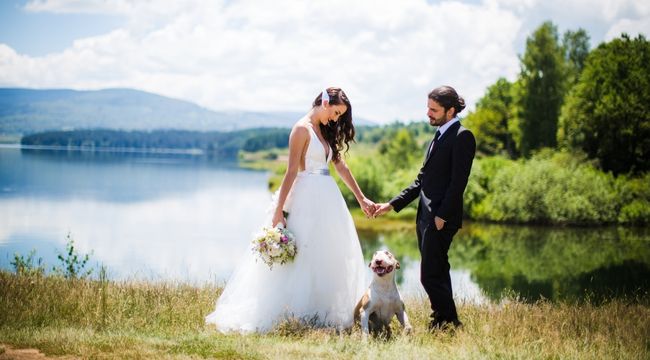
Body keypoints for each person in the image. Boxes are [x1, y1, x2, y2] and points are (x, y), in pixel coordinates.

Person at [206, 87, 375, 333]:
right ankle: (294, 312)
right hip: (306, 197)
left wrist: (361, 198)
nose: (336, 119)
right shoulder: (301, 129)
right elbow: (291, 172)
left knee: (327, 252)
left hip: (328, 198)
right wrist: (278, 210)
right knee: (304, 252)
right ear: (324, 103)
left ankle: (322, 311)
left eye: (340, 115)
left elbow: (340, 165)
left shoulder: (325, 130)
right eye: (336, 112)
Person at [374, 85, 476, 330]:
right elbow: (422, 180)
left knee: (429, 273)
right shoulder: (439, 135)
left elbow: (458, 182)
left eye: (434, 109)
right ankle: (445, 319)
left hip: (440, 218)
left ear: (450, 111)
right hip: (425, 216)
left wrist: (442, 215)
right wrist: (391, 204)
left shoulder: (463, 136)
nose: (428, 113)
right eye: (428, 108)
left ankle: (447, 319)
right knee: (438, 270)